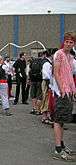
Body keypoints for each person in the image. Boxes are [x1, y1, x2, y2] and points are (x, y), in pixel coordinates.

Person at [51, 32, 76, 161]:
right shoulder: (59, 54)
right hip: (61, 91)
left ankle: (62, 144)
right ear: (64, 42)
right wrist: (61, 89)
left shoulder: (70, 57)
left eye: (71, 42)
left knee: (62, 120)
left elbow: (71, 75)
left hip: (68, 91)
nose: (68, 43)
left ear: (74, 44)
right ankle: (57, 149)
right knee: (58, 120)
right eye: (66, 41)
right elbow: (56, 72)